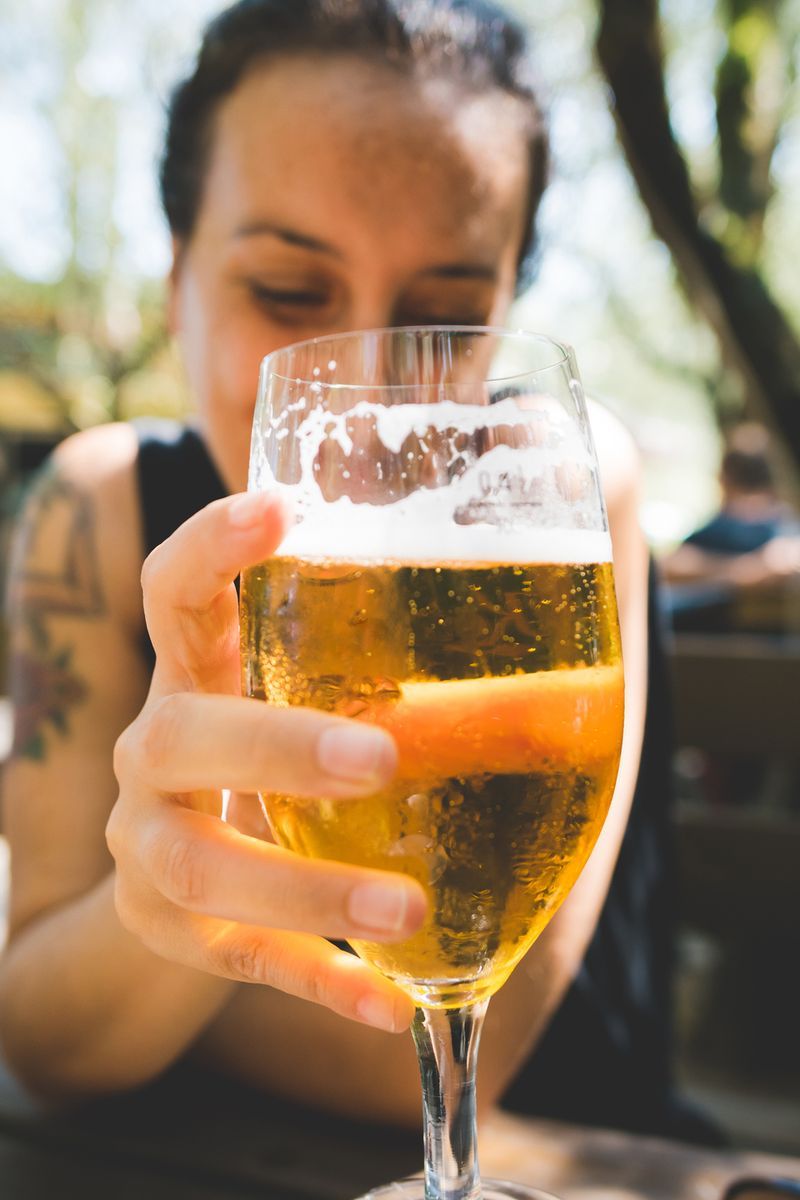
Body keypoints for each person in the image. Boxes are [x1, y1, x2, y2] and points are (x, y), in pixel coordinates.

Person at [0, 0, 706, 1143]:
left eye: (445, 312)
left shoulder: (562, 493)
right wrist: (176, 891)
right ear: (176, 281)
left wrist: (126, 970)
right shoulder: (94, 509)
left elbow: (431, 1038)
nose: (366, 395)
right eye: (287, 292)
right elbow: (35, 1040)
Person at [662, 422, 800, 634]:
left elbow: (666, 568)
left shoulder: (725, 528)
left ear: (725, 478)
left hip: (706, 637)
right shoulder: (787, 528)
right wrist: (750, 570)